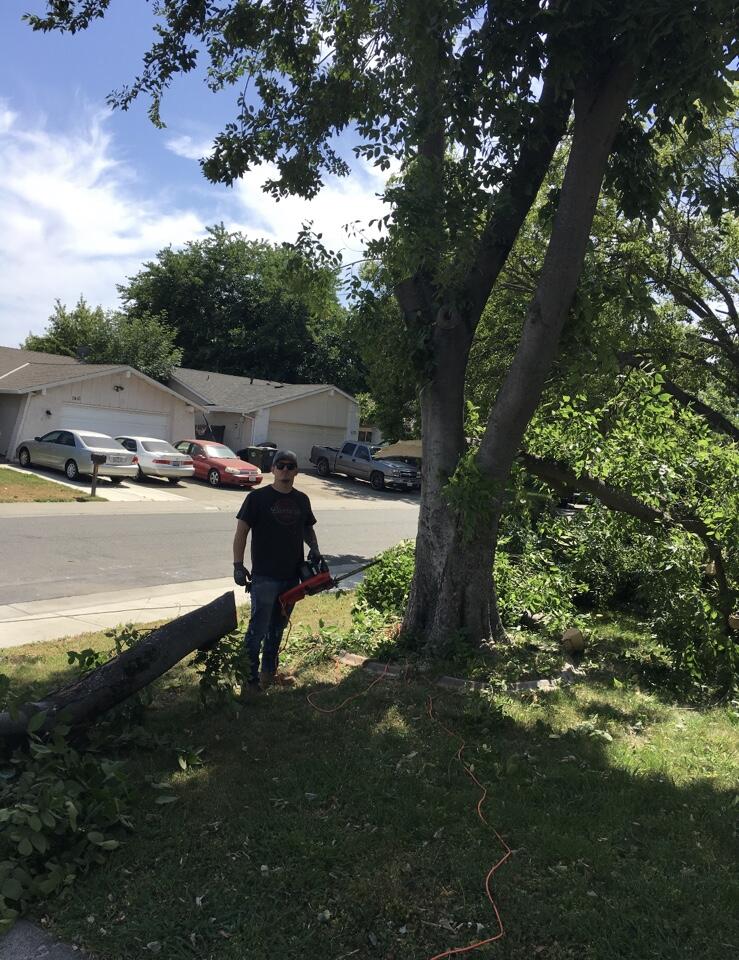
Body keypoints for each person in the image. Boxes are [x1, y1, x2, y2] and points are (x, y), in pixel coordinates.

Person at [232, 449, 322, 698]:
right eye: (280, 465)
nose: (285, 470)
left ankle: (268, 674)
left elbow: (307, 528)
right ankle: (249, 683)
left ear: (296, 471)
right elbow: (241, 532)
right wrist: (238, 565)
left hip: (292, 577)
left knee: (277, 629)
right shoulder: (257, 498)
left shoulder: (302, 500)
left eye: (290, 466)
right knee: (257, 631)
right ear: (272, 469)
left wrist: (315, 548)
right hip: (264, 577)